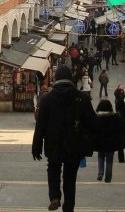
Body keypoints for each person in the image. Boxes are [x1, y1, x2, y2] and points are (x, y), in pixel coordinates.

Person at [32, 65, 96, 212]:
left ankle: (54, 197)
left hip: (53, 143)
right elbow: (92, 123)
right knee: (70, 177)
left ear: (56, 79)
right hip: (74, 144)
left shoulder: (47, 99)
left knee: (53, 168)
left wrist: (36, 146)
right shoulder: (82, 98)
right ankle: (69, 207)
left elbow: (40, 125)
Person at [94, 99, 121, 182]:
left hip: (100, 141)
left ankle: (100, 173)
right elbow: (118, 129)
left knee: (100, 156)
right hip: (111, 142)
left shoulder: (96, 117)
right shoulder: (115, 117)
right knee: (109, 160)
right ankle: (108, 178)